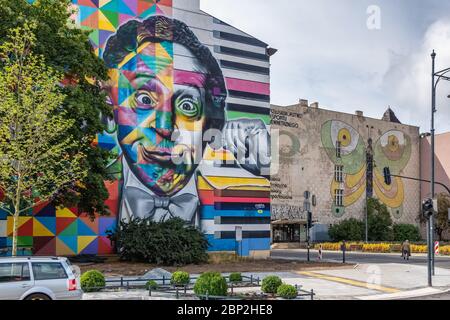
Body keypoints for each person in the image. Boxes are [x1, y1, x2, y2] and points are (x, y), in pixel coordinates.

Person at [100, 15, 270, 226]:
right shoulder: (86, 195)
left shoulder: (230, 196)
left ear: (212, 124)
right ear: (109, 111)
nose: (165, 128)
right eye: (144, 99)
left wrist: (268, 169)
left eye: (187, 106)